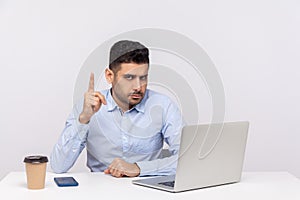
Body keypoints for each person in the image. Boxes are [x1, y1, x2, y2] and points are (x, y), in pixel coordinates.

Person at [50, 40, 184, 177]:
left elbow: (187, 160)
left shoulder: (163, 105)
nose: (138, 86)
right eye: (129, 77)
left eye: (143, 77)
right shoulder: (89, 106)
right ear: (109, 76)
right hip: (101, 191)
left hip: (148, 190)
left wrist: (139, 169)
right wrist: (83, 120)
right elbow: (58, 166)